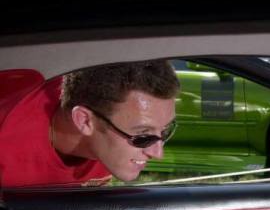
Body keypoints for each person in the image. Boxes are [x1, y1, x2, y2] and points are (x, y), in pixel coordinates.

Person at [0, 60, 179, 188]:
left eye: (165, 131)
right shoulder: (7, 155)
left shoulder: (108, 130)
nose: (158, 154)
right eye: (143, 136)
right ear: (85, 120)